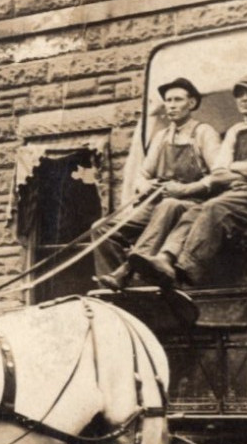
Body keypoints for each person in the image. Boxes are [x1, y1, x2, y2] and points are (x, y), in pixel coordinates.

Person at [128, 74, 247, 287]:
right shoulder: (235, 130)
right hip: (236, 192)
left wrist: (235, 168)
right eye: (240, 94)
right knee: (194, 211)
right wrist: (242, 171)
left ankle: (186, 268)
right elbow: (219, 171)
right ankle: (165, 258)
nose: (245, 99)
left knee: (213, 206)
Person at [92, 78, 220, 290]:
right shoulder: (161, 137)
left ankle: (125, 271)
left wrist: (185, 189)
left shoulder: (204, 133)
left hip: (192, 205)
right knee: (102, 228)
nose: (171, 105)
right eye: (168, 100)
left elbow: (218, 176)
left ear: (192, 103)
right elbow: (142, 174)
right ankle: (116, 285)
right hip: (159, 203)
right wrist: (145, 186)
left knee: (168, 205)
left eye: (178, 100)